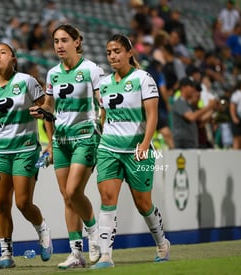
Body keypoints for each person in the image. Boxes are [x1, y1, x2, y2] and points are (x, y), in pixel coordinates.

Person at [91, 33, 170, 269]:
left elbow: (153, 115)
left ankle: (162, 243)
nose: (113, 56)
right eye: (109, 52)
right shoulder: (104, 84)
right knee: (107, 198)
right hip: (109, 149)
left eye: (117, 51)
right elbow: (103, 117)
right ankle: (106, 256)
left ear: (129, 53)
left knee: (143, 204)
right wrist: (101, 139)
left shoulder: (143, 79)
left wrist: (145, 144)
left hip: (138, 150)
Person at [32, 24, 103, 269]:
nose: (59, 45)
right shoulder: (53, 73)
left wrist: (105, 125)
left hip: (85, 136)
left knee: (73, 191)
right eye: (56, 41)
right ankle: (76, 254)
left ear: (77, 42)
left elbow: (101, 102)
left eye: (64, 40)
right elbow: (50, 104)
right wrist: (43, 110)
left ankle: (93, 232)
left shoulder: (92, 70)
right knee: (67, 197)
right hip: (61, 141)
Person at [0, 42, 53, 269]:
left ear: (13, 59)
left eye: (2, 52)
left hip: (26, 151)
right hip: (0, 153)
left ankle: (42, 229)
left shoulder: (26, 82)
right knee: (1, 204)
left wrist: (51, 143)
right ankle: (6, 254)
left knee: (22, 203)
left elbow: (47, 109)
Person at [172, 77, 217, 149]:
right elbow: (191, 117)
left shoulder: (188, 104)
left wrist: (213, 109)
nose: (193, 89)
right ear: (183, 88)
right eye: (191, 86)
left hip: (190, 142)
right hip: (183, 143)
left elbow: (200, 119)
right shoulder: (180, 102)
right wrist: (208, 107)